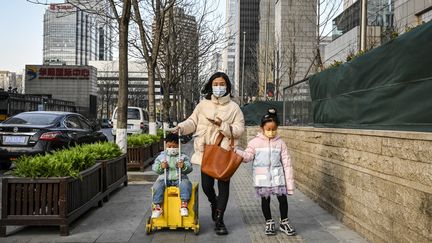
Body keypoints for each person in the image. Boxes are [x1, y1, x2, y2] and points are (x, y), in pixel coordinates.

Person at [175, 72, 245, 235]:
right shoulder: (202, 105)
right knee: (207, 187)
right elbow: (192, 122)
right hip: (205, 152)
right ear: (211, 85)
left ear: (227, 86)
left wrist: (223, 125)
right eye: (216, 83)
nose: (219, 87)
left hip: (224, 153)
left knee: (224, 187)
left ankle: (219, 220)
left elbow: (240, 130)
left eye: (222, 84)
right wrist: (181, 127)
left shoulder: (234, 108)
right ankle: (214, 203)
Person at [235, 108, 296, 236]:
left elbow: (287, 163)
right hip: (263, 178)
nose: (271, 132)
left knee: (283, 200)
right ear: (261, 128)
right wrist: (236, 151)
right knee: (265, 200)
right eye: (268, 129)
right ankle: (269, 221)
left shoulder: (281, 143)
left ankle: (284, 221)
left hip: (278, 178)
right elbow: (247, 156)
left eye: (274, 129)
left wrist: (289, 185)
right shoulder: (254, 143)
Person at [151, 133, 193, 219]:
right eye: (169, 146)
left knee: (186, 184)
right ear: (165, 146)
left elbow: (189, 168)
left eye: (174, 146)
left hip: (180, 179)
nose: (172, 149)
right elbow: (155, 168)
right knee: (157, 185)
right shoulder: (161, 156)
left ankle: (184, 205)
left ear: (179, 146)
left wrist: (184, 166)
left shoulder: (183, 156)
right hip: (165, 179)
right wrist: (161, 167)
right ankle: (158, 206)